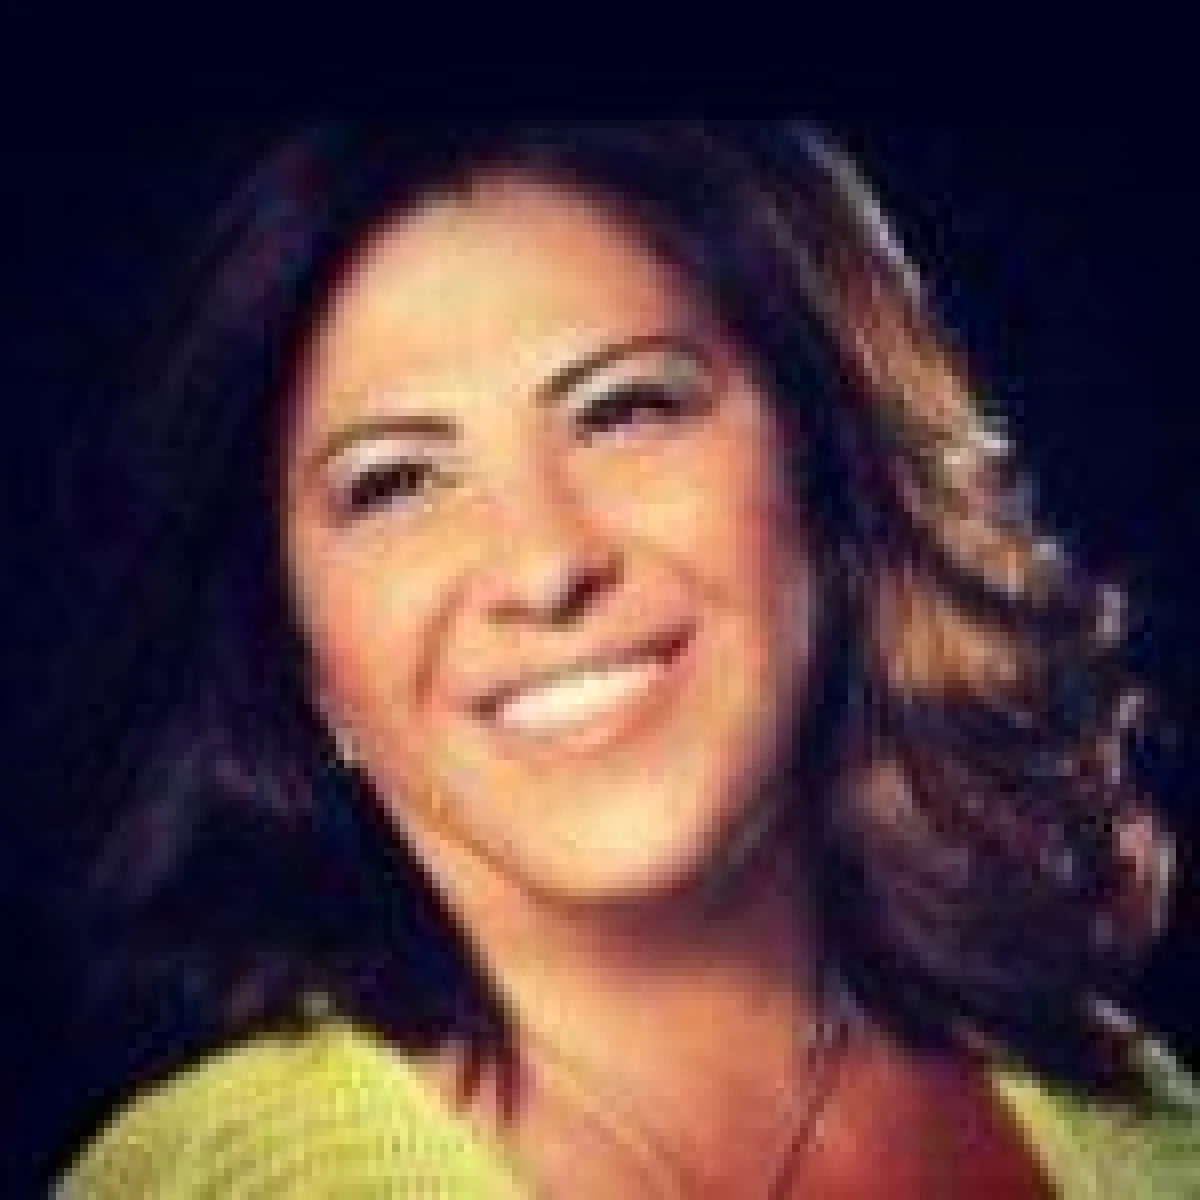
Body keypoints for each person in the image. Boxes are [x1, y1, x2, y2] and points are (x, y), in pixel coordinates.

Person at [42, 122, 1197, 1196]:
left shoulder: (1140, 1118)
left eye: (624, 410)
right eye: (394, 483)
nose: (546, 568)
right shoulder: (215, 1181)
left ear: (829, 479)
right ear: (298, 660)